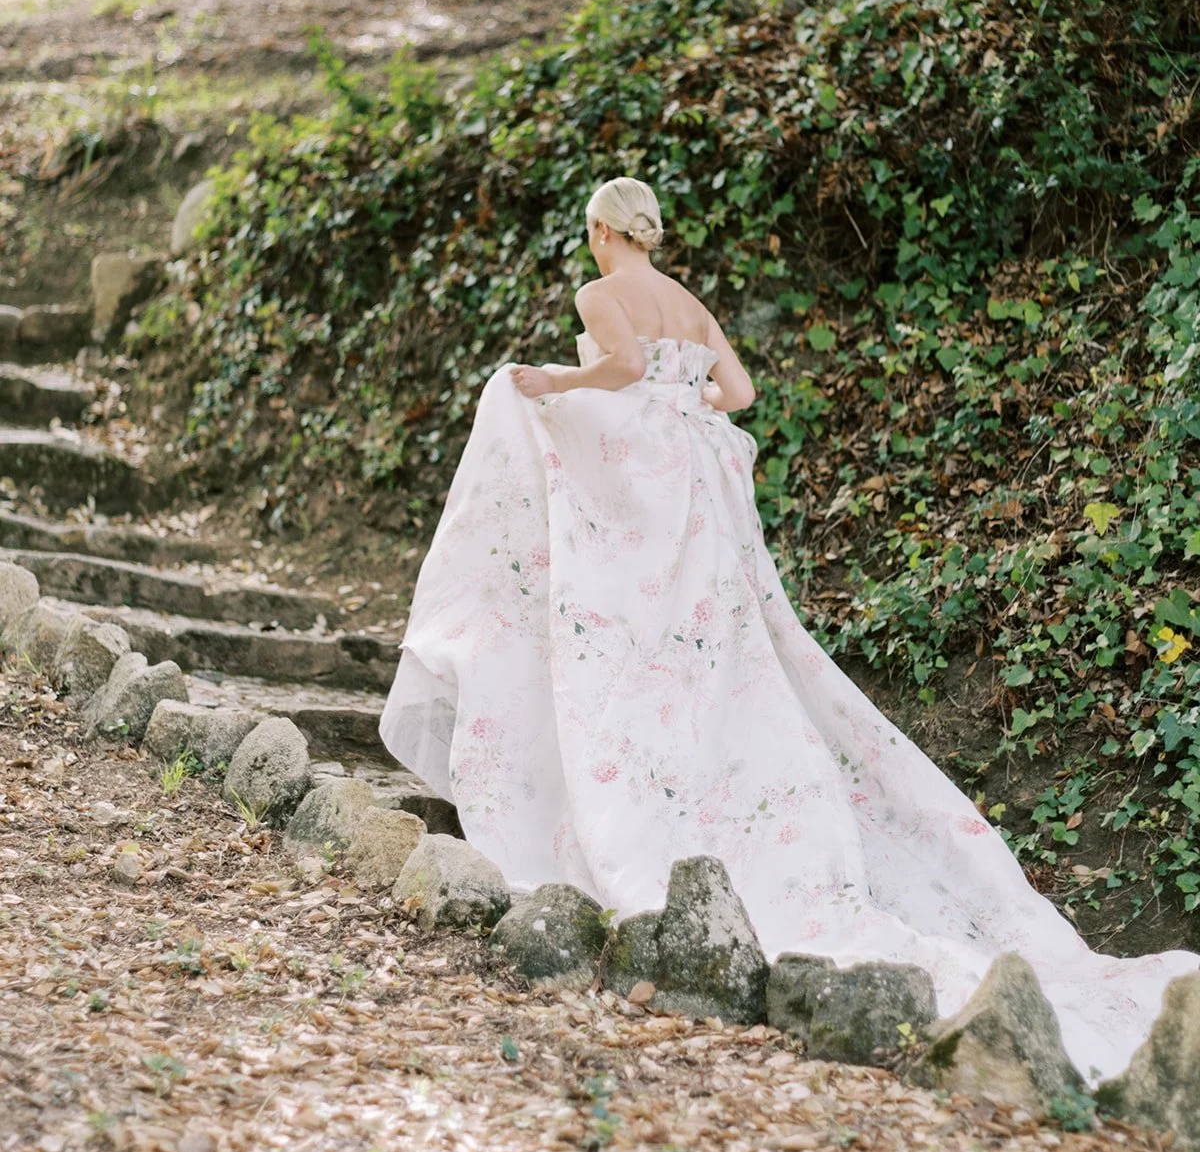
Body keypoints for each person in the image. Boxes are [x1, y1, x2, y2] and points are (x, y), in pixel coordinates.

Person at [379, 174, 1197, 1084]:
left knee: (625, 641)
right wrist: (679, 418)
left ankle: (637, 800)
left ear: (605, 230)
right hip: (699, 496)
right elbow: (740, 391)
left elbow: (623, 371)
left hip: (644, 499)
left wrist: (553, 382)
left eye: (590, 232)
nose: (591, 244)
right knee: (712, 650)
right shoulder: (688, 301)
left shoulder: (600, 292)